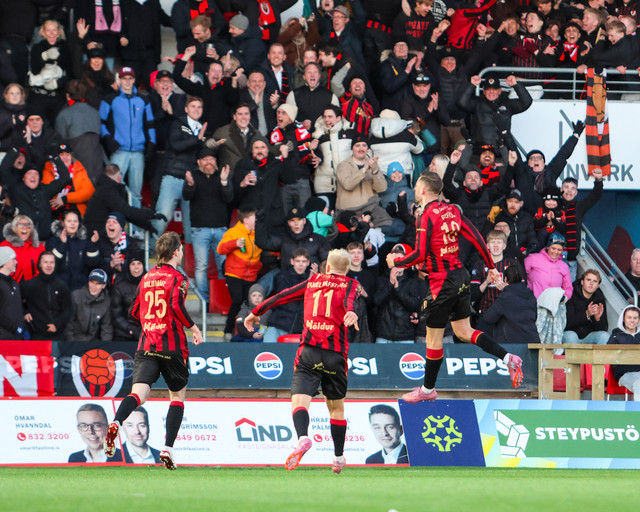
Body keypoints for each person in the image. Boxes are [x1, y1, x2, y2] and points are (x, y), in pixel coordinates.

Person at [386, 172, 523, 403]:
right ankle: (508, 358)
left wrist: (396, 262)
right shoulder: (453, 210)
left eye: (417, 187)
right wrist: (491, 266)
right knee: (463, 332)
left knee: (432, 339)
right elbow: (477, 237)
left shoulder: (426, 215)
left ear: (422, 190)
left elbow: (419, 253)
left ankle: (428, 389)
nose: (415, 190)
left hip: (442, 283)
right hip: (460, 277)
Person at [244, 249, 362, 474]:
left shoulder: (313, 281)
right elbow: (349, 302)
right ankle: (338, 458)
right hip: (335, 355)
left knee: (299, 401)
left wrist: (256, 311)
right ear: (347, 269)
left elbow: (282, 295)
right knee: (336, 409)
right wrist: (351, 312)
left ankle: (303, 438)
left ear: (328, 267)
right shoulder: (351, 284)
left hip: (309, 352)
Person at [104, 232, 204, 471]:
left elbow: (134, 311)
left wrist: (151, 323)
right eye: (181, 250)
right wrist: (194, 327)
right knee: (177, 397)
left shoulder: (147, 277)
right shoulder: (178, 277)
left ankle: (117, 421)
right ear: (176, 252)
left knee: (139, 393)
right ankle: (167, 448)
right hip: (172, 346)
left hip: (147, 343)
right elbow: (176, 305)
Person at [182, 147, 233, 300]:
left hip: (221, 229)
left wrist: (224, 182)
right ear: (199, 162)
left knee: (223, 266)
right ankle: (204, 300)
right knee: (201, 266)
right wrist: (190, 185)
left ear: (216, 161)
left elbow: (229, 198)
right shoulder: (194, 176)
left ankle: (222, 299)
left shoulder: (222, 176)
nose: (209, 162)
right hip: (199, 230)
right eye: (205, 159)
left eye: (212, 159)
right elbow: (186, 196)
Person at [217, 209, 262, 339]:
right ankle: (228, 330)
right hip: (234, 274)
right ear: (246, 220)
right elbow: (220, 249)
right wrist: (234, 243)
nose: (257, 220)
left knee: (248, 303)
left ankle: (246, 332)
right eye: (254, 218)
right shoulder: (233, 232)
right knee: (237, 301)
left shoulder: (259, 233)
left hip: (251, 274)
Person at [481, 264, 540, 345]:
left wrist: (503, 292)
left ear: (505, 279)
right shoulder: (530, 295)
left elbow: (488, 318)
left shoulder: (504, 298)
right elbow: (534, 317)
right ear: (521, 279)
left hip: (512, 344)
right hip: (532, 341)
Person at [20, 251, 72, 340]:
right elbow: (16, 302)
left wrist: (57, 325)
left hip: (58, 335)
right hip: (36, 335)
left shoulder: (62, 285)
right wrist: (25, 312)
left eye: (51, 262)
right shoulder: (29, 285)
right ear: (40, 264)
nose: (49, 265)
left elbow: (68, 310)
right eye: (45, 262)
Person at [64, 268, 113, 342]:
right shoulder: (76, 296)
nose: (94, 286)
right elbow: (68, 323)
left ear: (104, 285)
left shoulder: (106, 300)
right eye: (92, 282)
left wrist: (105, 345)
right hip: (74, 340)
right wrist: (71, 342)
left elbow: (106, 327)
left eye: (98, 283)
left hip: (93, 342)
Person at [563, 269, 609, 345]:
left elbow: (603, 329)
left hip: (588, 337)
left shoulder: (599, 298)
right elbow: (566, 323)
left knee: (605, 336)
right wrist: (586, 314)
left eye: (595, 281)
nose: (591, 283)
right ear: (582, 282)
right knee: (571, 336)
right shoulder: (571, 295)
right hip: (569, 334)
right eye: (588, 280)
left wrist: (597, 319)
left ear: (598, 286)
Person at [608, 305, 640, 400]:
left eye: (635, 318)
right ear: (623, 319)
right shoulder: (615, 336)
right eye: (629, 317)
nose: (632, 320)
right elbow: (608, 356)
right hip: (625, 374)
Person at [0, 246, 28, 340]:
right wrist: (15, 328)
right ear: (4, 262)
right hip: (3, 338)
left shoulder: (14, 283)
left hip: (17, 337)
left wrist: (24, 328)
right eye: (13, 259)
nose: (16, 262)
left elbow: (17, 308)